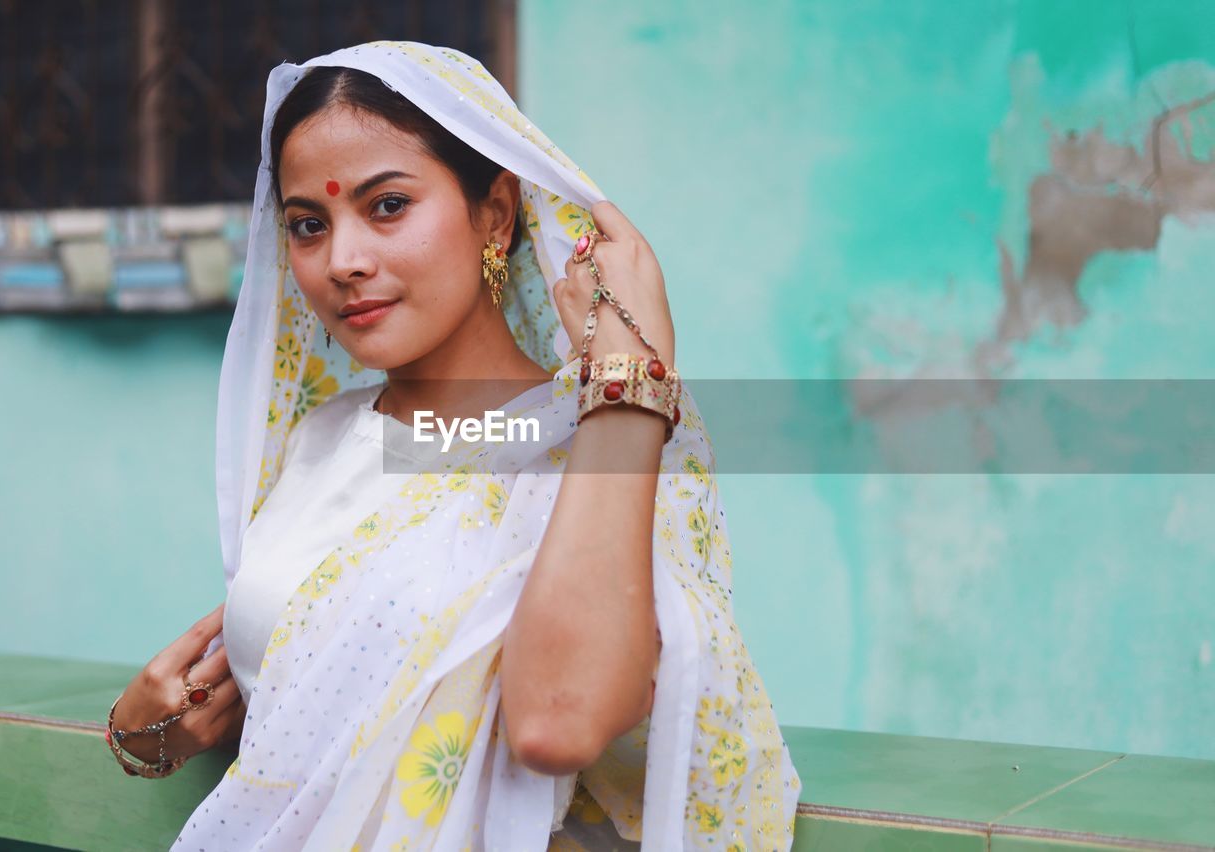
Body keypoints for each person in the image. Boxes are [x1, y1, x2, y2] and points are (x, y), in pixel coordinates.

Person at [105, 41, 801, 850]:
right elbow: (318, 713)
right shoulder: (320, 440)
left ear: (495, 214)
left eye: (388, 205)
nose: (344, 261)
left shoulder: (590, 452)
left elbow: (557, 724)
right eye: (308, 224)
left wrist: (626, 387)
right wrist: (143, 732)